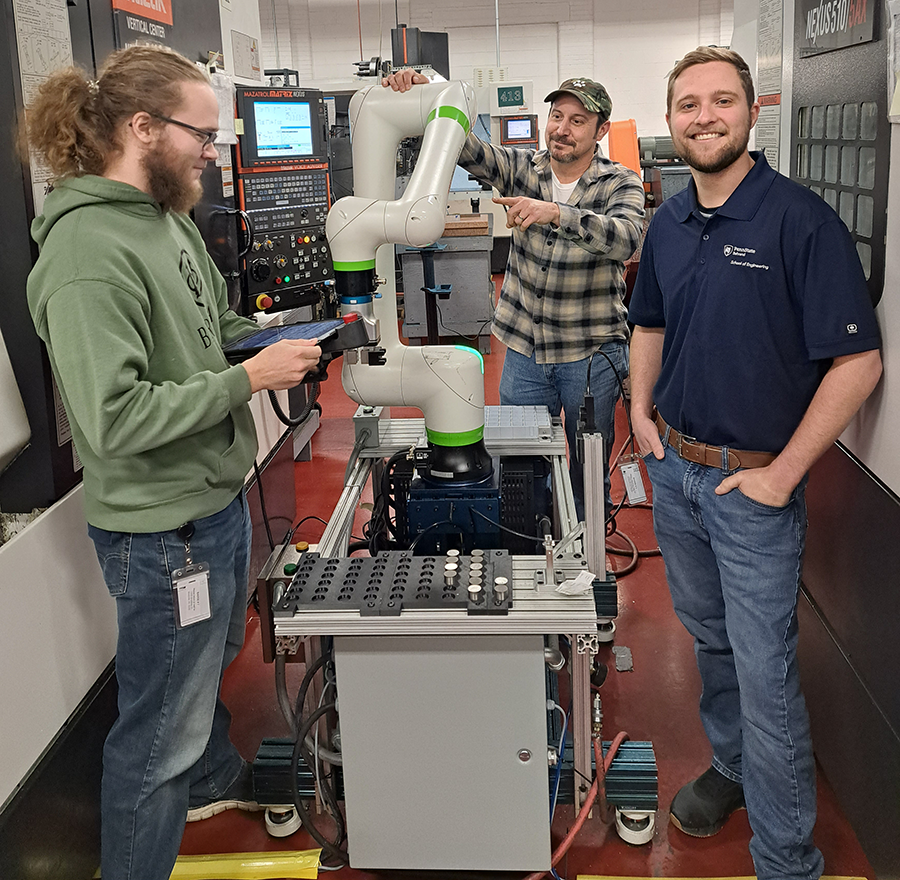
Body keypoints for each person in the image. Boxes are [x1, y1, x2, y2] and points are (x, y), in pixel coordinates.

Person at [24, 45, 322, 880]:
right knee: (157, 736)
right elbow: (112, 420)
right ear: (142, 127)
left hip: (214, 503)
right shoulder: (86, 256)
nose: (211, 153)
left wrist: (281, 339)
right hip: (162, 536)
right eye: (201, 133)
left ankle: (213, 777)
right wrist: (247, 378)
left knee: (208, 665)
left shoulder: (166, 218)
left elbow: (215, 327)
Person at [629, 47, 882, 879]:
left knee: (766, 670)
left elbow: (859, 364)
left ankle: (786, 860)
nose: (705, 116)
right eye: (689, 104)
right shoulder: (668, 221)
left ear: (750, 113)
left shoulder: (799, 221)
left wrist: (781, 477)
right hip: (677, 474)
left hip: (752, 490)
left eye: (722, 100)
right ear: (672, 120)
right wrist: (640, 411)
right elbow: (650, 326)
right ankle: (732, 767)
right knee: (709, 641)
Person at [383, 69, 645, 521]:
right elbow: (464, 145)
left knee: (588, 468)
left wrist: (557, 213)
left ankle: (586, 559)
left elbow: (626, 238)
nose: (561, 129)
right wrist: (427, 86)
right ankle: (534, 546)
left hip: (589, 355)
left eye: (577, 120)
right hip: (524, 351)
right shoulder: (522, 168)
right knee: (522, 466)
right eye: (556, 116)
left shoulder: (619, 182)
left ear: (601, 130)